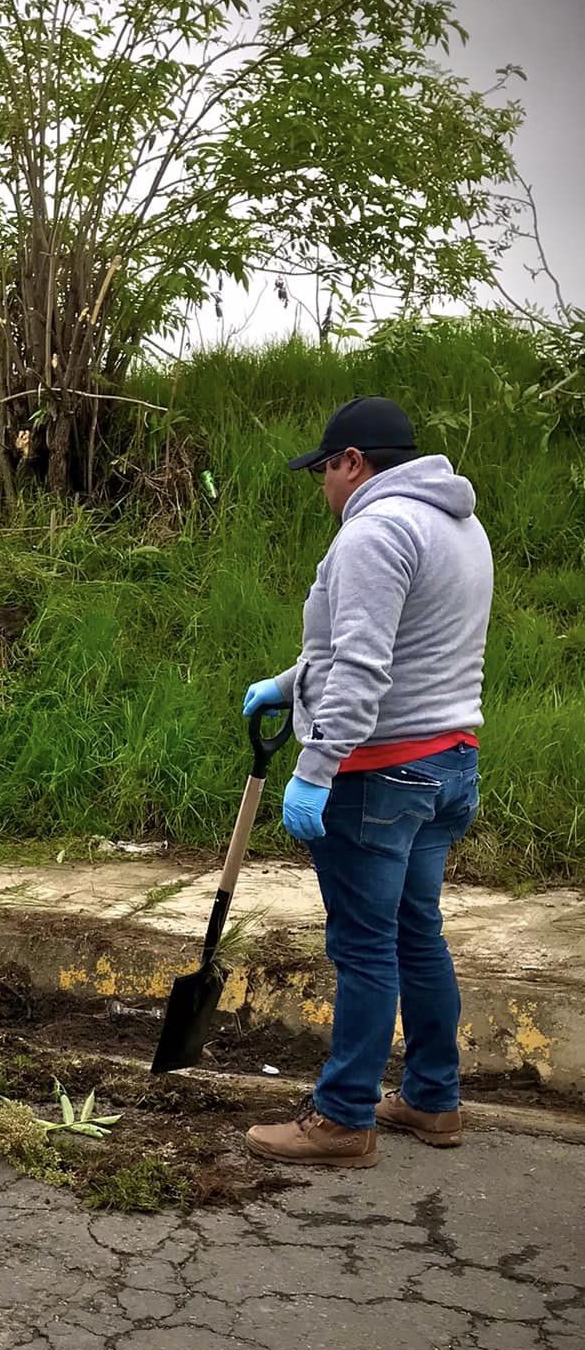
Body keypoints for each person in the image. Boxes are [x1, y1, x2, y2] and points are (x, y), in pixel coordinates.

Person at [242, 397, 491, 1169]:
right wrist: (289, 682)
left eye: (322, 469)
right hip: (449, 762)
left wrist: (315, 770)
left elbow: (363, 667)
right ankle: (431, 1098)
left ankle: (343, 1118)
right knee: (418, 935)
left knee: (364, 946)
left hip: (379, 775)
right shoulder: (458, 524)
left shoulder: (374, 532)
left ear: (352, 461)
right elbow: (406, 644)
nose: (321, 486)